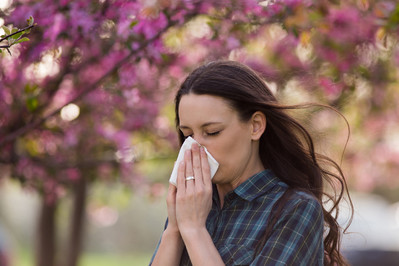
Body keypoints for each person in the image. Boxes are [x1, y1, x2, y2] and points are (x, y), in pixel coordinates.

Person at [150, 60, 352, 265]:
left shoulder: (295, 209)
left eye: (212, 132)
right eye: (188, 135)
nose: (195, 148)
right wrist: (174, 228)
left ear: (255, 126)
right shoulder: (193, 205)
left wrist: (195, 231)